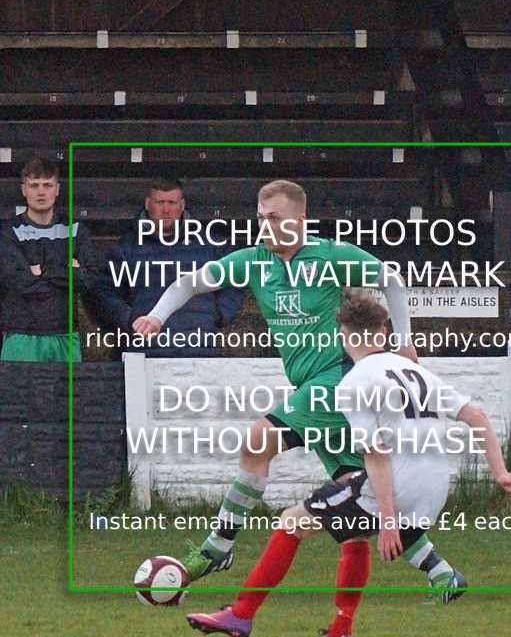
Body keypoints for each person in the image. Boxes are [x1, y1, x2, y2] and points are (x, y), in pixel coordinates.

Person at [186, 289, 511, 637]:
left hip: (398, 485)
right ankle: (339, 635)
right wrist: (500, 472)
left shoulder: (354, 382)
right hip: (435, 491)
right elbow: (476, 416)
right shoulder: (416, 372)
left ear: (342, 336)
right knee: (351, 529)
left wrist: (387, 519)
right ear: (383, 334)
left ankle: (241, 613)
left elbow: (377, 455)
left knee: (292, 522)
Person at [133, 179, 427, 597]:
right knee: (353, 489)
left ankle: (218, 547)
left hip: (339, 379)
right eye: (260, 218)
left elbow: (391, 279)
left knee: (257, 441)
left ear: (299, 220)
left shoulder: (329, 255)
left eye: (275, 218)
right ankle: (440, 571)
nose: (265, 226)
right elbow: (188, 283)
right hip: (312, 384)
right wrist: (158, 317)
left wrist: (405, 340)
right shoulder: (254, 261)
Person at [92, 178, 243, 357]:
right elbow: (104, 289)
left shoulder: (211, 244)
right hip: (145, 351)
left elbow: (235, 279)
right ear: (148, 204)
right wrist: (128, 318)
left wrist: (219, 314)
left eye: (172, 202)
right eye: (160, 202)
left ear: (182, 205)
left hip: (198, 349)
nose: (166, 209)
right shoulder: (126, 248)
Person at [0, 158, 99, 362]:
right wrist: (67, 270)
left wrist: (42, 270)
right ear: (23, 190)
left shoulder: (76, 230)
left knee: (68, 395)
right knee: (18, 394)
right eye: (34, 186)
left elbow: (88, 279)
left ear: (57, 189)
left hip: (64, 334)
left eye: (47, 185)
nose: (41, 192)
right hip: (21, 335)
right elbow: (16, 282)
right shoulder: (8, 232)